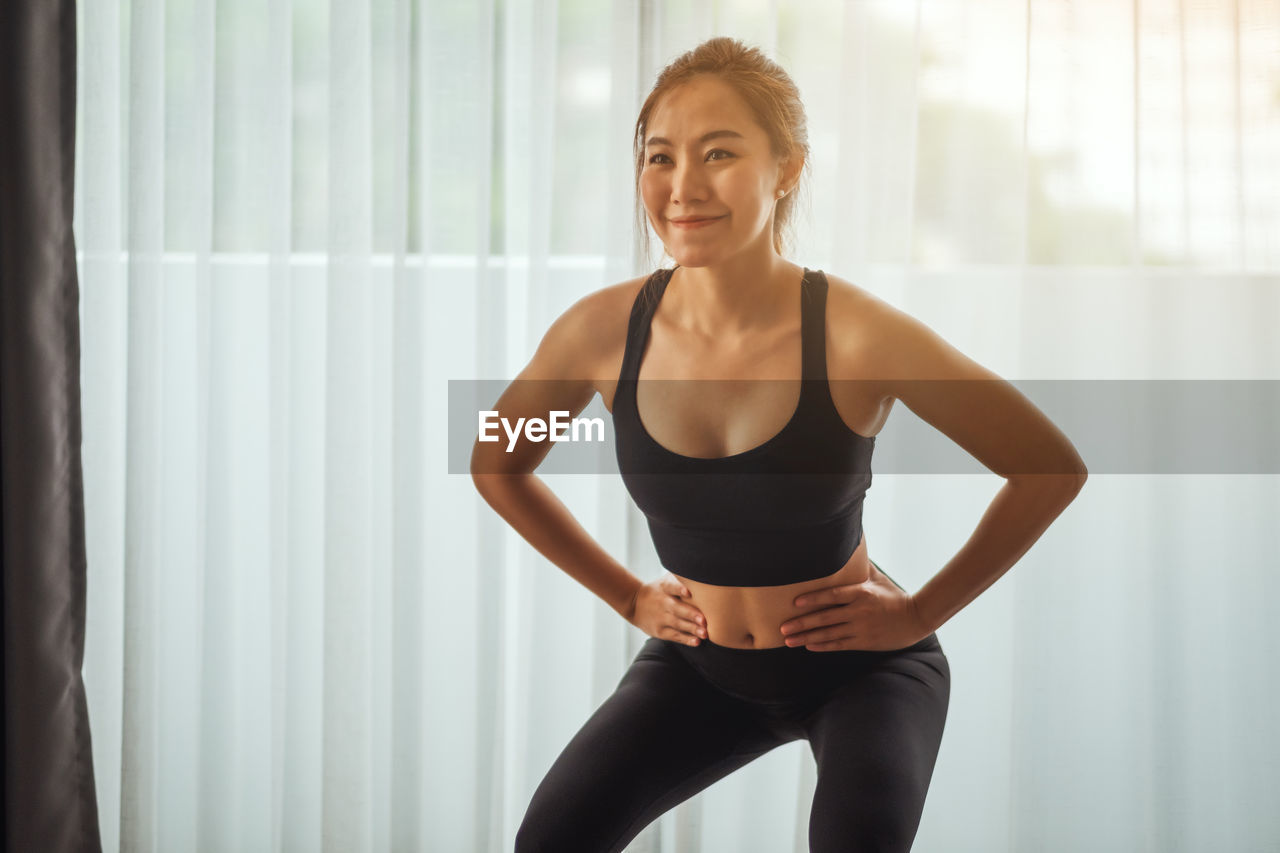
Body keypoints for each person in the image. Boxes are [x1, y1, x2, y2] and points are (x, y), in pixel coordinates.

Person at [471, 36, 1087, 853]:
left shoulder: (858, 335)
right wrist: (628, 596)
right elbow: (498, 464)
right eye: (660, 157)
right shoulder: (599, 334)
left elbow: (1048, 466)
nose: (683, 187)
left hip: (863, 673)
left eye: (718, 153)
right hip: (700, 666)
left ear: (786, 167)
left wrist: (917, 613)